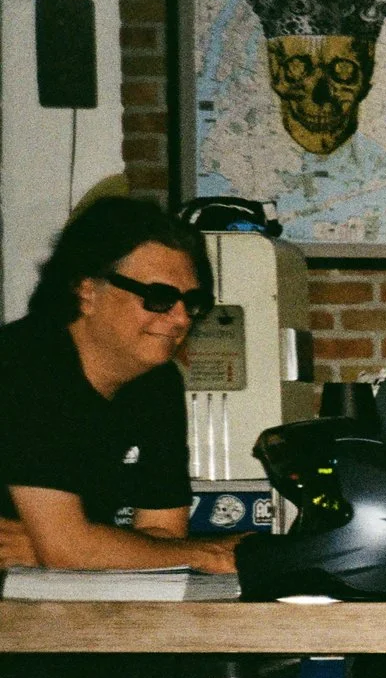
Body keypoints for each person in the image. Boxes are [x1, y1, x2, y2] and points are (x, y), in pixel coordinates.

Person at [0, 198, 241, 574]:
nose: (180, 318)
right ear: (88, 291)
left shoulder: (157, 385)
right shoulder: (24, 364)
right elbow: (70, 549)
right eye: (159, 298)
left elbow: (162, 533)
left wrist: (70, 547)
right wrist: (208, 554)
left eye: (192, 302)